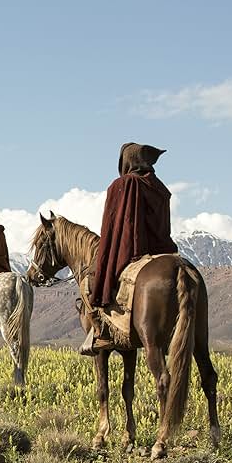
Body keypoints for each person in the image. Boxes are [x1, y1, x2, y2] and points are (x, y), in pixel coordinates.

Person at [82, 142, 178, 355]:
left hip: (132, 248)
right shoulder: (160, 187)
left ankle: (101, 331)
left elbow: (113, 225)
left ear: (126, 162)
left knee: (93, 279)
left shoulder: (123, 184)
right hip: (163, 250)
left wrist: (107, 254)